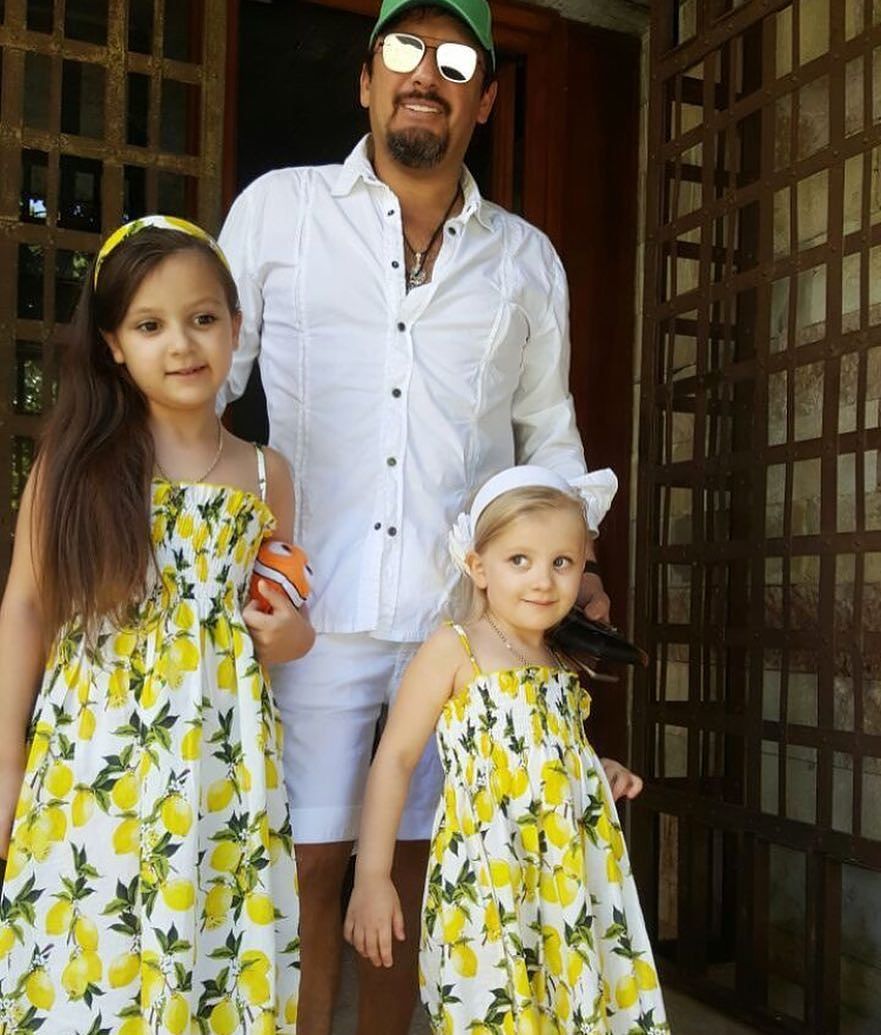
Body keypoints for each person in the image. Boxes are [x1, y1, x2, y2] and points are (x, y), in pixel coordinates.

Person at [217, 0, 626, 1031]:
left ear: (482, 100)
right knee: (307, 870)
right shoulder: (279, 211)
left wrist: (574, 566)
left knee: (418, 874)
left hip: (461, 622)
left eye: (453, 63)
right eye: (403, 50)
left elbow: (547, 435)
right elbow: (208, 384)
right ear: (366, 78)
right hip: (307, 607)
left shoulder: (525, 260)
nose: (423, 76)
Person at [0, 216, 313, 1034]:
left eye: (202, 318)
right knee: (92, 951)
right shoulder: (77, 464)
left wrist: (293, 636)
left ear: (236, 326)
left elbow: (281, 608)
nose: (181, 343)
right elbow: (25, 605)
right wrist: (5, 767)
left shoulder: (264, 474)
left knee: (212, 956)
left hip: (222, 763)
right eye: (149, 325)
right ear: (112, 343)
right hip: (94, 758)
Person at [344, 466, 669, 1035]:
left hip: (567, 872)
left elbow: (551, 751)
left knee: (567, 1001)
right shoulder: (456, 648)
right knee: (496, 1005)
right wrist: (373, 875)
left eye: (561, 562)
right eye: (520, 560)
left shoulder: (562, 658)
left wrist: (599, 770)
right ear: (478, 566)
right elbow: (394, 759)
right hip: (490, 870)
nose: (542, 580)